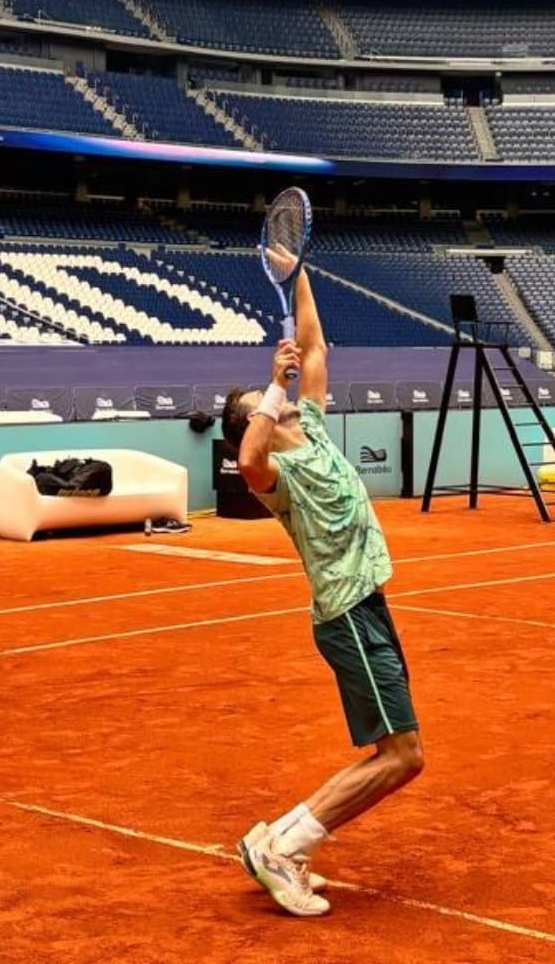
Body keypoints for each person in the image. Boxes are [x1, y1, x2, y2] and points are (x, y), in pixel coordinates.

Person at [221, 253, 422, 918]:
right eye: (265, 408)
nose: (278, 405)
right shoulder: (274, 477)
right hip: (346, 616)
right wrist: (270, 391)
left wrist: (296, 272)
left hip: (369, 605)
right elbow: (246, 457)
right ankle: (282, 846)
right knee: (401, 756)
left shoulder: (315, 432)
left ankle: (280, 841)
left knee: (397, 750)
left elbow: (313, 345)